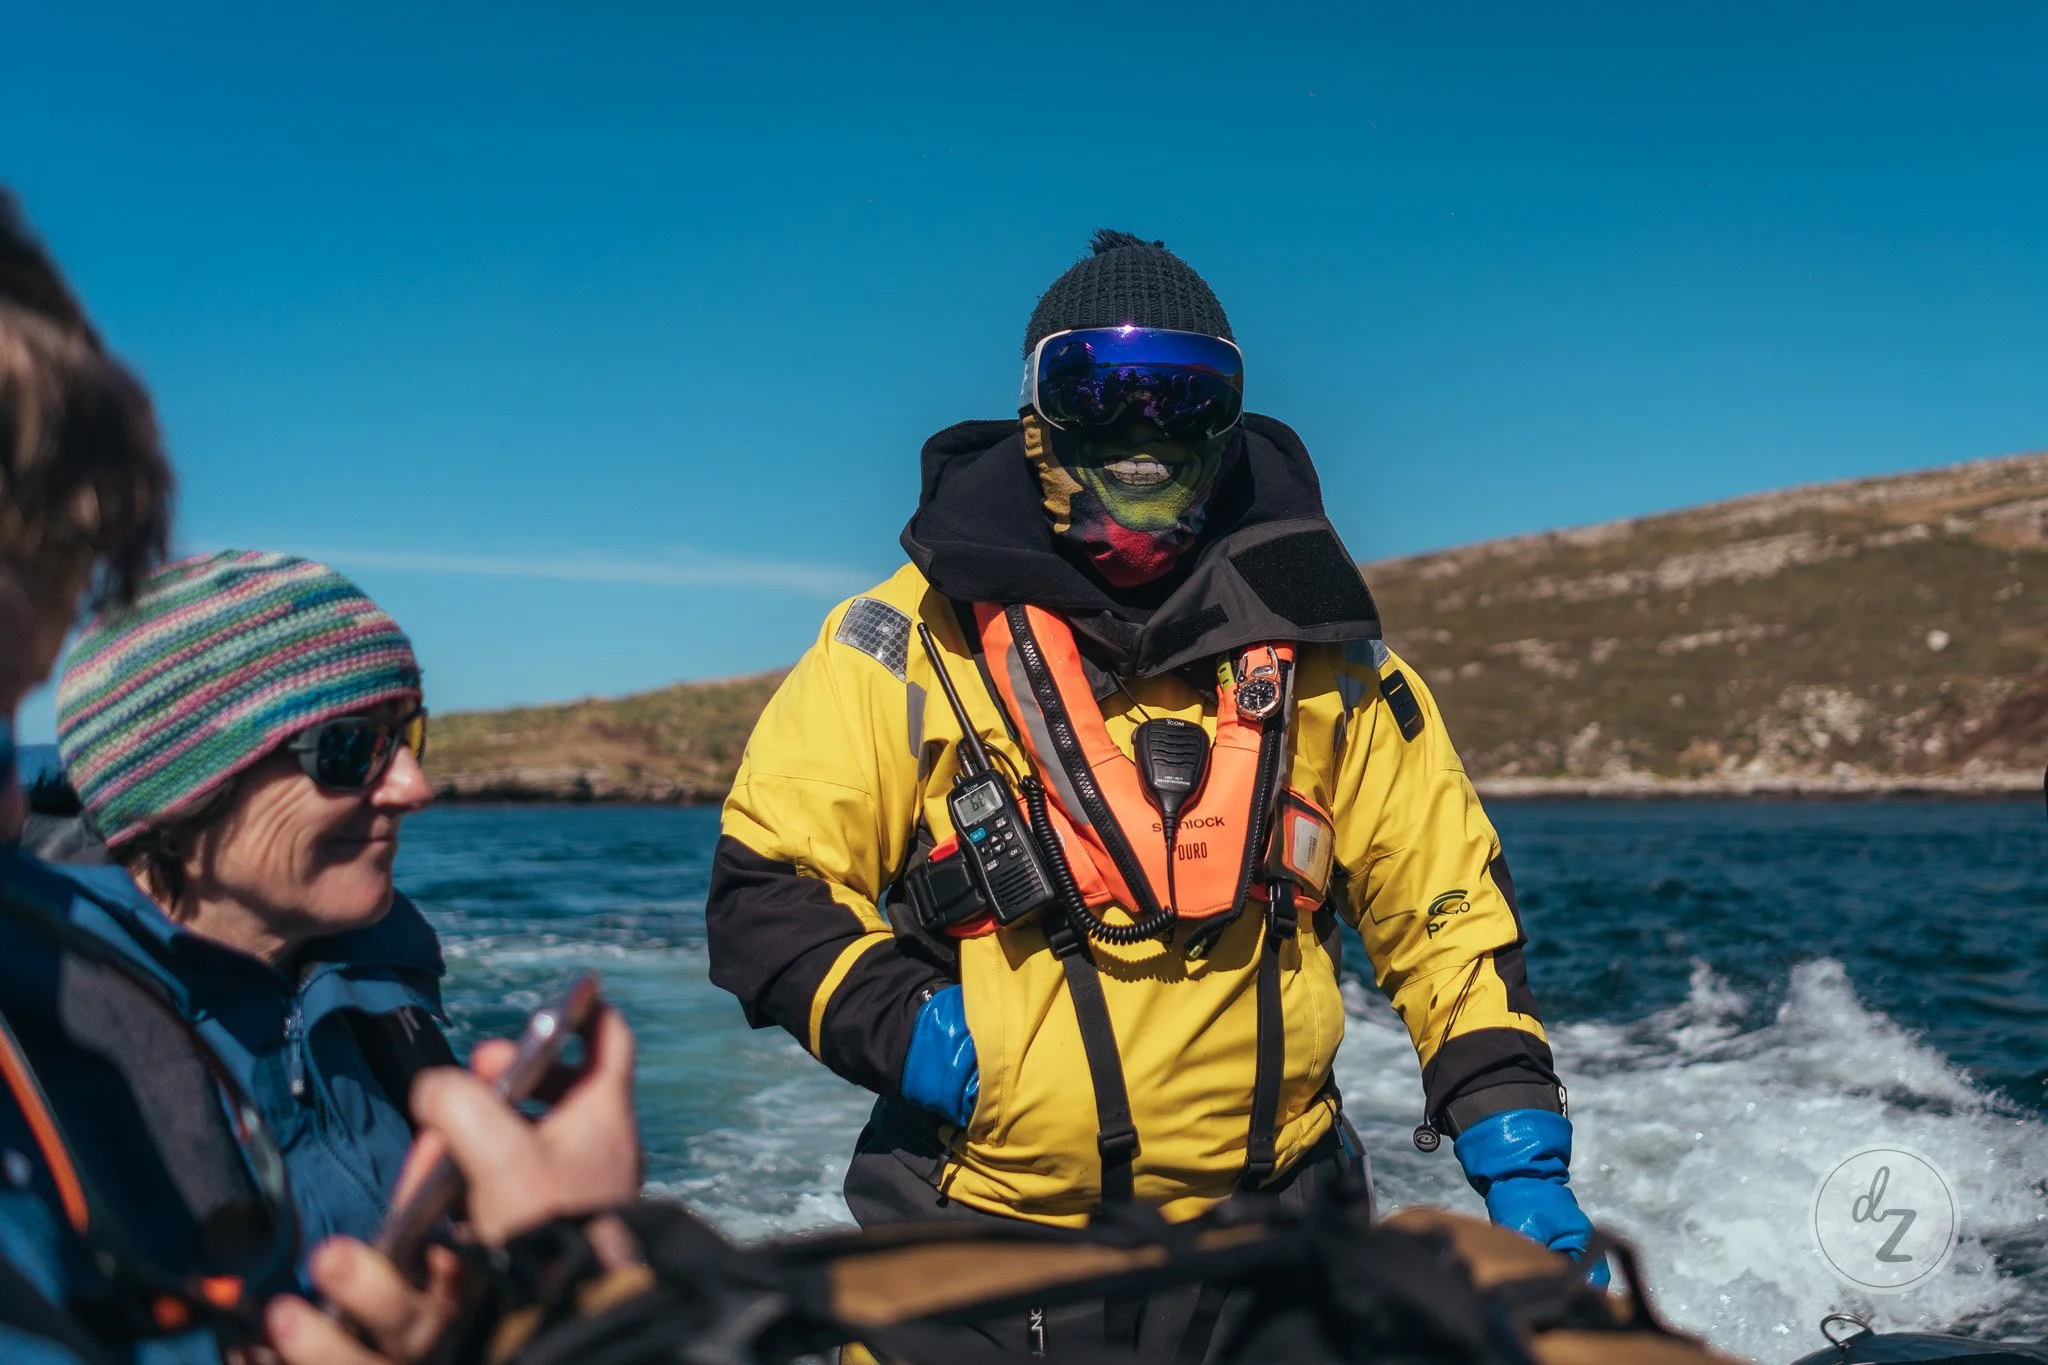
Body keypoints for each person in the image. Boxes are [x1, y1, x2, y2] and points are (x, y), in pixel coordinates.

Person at [704, 230, 1601, 1355]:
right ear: (1036, 415)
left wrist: (1516, 1157)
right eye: (1097, 391)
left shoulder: (1338, 663)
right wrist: (940, 1045)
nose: (1141, 432)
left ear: (1226, 420)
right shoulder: (899, 645)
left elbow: (1447, 918)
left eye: (1183, 396)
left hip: (1279, 1255)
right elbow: (766, 892)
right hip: (983, 1255)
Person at [47, 549, 455, 1267]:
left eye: (409, 737)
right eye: (350, 748)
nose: (415, 787)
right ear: (178, 789)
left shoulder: (383, 977)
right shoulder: (46, 1046)